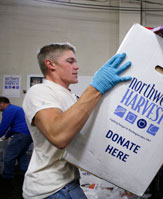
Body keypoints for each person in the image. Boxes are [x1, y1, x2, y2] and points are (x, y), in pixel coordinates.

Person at [22, 43, 132, 199]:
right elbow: (58, 135)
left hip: (69, 182)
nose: (77, 66)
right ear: (50, 64)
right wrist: (96, 88)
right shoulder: (40, 91)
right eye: (70, 61)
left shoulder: (73, 97)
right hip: (50, 188)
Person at [0, 96, 32, 190]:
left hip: (22, 135)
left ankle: (7, 179)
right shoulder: (16, 109)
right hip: (28, 134)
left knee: (9, 156)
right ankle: (26, 177)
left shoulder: (9, 110)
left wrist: (2, 134)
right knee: (21, 155)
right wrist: (6, 136)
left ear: (2, 103)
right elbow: (14, 126)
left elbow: (4, 125)